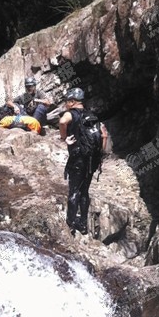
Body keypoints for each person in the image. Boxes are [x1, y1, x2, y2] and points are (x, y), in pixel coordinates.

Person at [59, 87, 108, 235]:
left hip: (78, 158)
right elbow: (104, 134)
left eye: (67, 101)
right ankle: (84, 225)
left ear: (73, 101)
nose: (66, 104)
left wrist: (64, 138)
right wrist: (100, 155)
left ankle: (70, 224)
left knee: (74, 191)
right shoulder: (91, 115)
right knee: (84, 191)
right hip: (92, 159)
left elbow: (62, 121)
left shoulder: (70, 114)